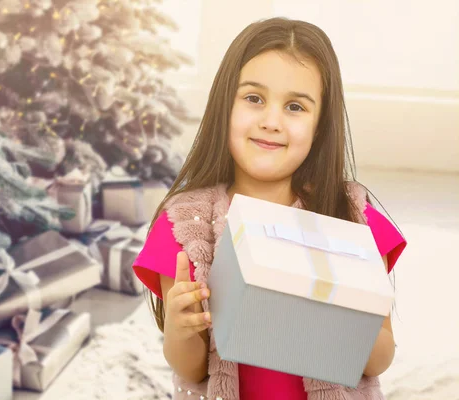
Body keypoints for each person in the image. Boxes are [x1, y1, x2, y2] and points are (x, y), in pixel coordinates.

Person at [132, 17, 407, 400]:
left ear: (320, 126)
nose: (271, 121)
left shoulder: (350, 217)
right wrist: (180, 329)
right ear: (224, 104)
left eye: (295, 106)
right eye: (254, 98)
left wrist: (344, 323)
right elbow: (191, 367)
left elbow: (378, 358)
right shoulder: (185, 224)